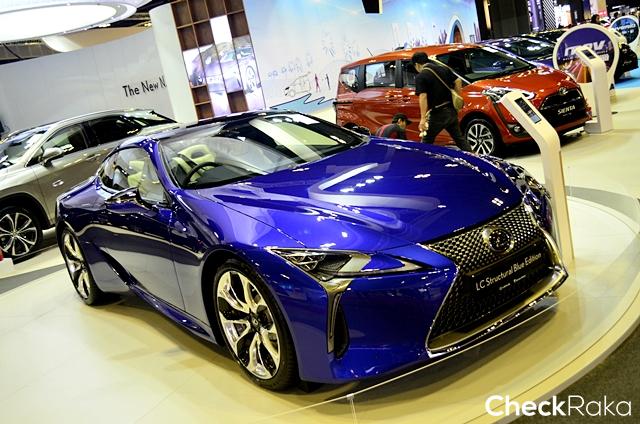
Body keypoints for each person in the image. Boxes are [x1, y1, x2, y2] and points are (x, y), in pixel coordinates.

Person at [411, 52, 472, 152]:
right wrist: (457, 97)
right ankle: (473, 157)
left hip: (437, 113)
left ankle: (423, 161)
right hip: (451, 110)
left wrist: (423, 119)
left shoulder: (421, 76)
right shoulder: (443, 68)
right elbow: (458, 81)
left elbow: (423, 96)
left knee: (426, 140)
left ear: (417, 64)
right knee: (460, 139)